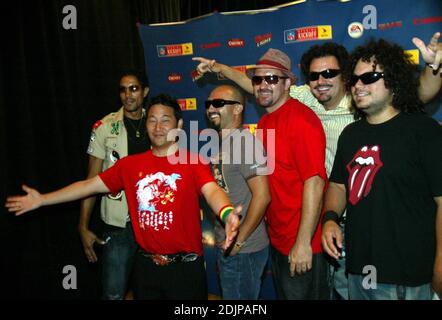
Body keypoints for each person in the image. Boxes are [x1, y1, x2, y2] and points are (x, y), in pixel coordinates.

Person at [192, 31, 442, 300]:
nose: (321, 81)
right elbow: (262, 84)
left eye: (330, 74)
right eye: (314, 76)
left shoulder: (362, 101)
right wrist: (219, 68)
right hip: (333, 220)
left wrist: (433, 68)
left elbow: (416, 93)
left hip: (345, 227)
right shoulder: (306, 102)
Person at [6, 94, 240, 300]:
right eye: (152, 120)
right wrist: (43, 199)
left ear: (178, 125)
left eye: (165, 120)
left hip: (185, 271)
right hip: (146, 268)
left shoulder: (192, 161)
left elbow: (212, 191)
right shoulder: (129, 165)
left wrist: (227, 213)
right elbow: (88, 186)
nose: (158, 127)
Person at [321, 38, 442, 300]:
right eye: (354, 80)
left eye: (370, 77)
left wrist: (441, 266)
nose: (358, 86)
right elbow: (339, 184)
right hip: (358, 271)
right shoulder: (351, 134)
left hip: (406, 278)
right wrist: (330, 218)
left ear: (394, 81)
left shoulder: (424, 131)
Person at [79, 70, 151, 300]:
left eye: (134, 88)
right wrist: (83, 225)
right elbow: (91, 181)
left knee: (153, 291)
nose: (128, 95)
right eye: (123, 89)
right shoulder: (104, 127)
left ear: (144, 91)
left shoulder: (158, 124)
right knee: (113, 294)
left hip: (153, 223)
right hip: (118, 226)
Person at [205, 84, 271, 299]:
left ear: (237, 109)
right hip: (229, 245)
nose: (211, 109)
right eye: (208, 104)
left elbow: (263, 196)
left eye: (218, 103)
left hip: (245, 250)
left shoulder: (245, 143)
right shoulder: (221, 143)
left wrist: (239, 241)